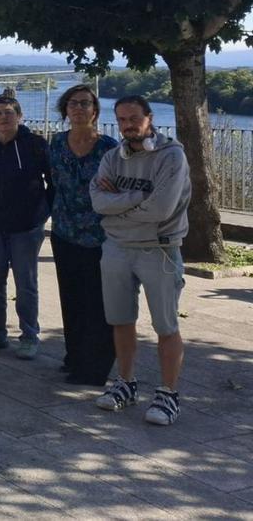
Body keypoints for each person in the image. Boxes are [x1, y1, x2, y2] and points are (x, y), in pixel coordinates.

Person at [90, 95, 190, 426]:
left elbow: (163, 210)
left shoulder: (171, 156)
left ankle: (168, 394)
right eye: (121, 119)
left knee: (165, 325)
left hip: (158, 248)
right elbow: (98, 201)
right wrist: (137, 199)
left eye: (134, 118)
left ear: (149, 117)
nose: (128, 125)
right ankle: (126, 382)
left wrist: (118, 204)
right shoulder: (111, 157)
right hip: (117, 247)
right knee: (120, 319)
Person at [0, 95, 53, 360]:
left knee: (25, 283)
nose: (4, 117)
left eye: (8, 112)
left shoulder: (35, 144)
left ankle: (29, 335)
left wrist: (41, 212)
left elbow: (52, 181)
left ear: (19, 115)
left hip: (27, 226)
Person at [50, 84, 118, 386]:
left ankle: (96, 366)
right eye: (73, 103)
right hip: (64, 232)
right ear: (66, 110)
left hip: (100, 235)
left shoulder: (109, 148)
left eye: (85, 103)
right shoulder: (55, 144)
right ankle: (74, 356)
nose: (79, 108)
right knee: (71, 298)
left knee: (98, 302)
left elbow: (120, 186)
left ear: (95, 110)